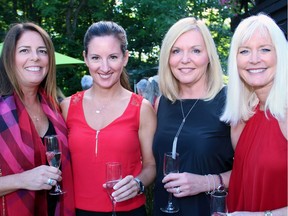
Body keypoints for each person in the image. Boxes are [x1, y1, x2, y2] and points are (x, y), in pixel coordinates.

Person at [60, 21, 156, 215]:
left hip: (127, 211)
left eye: (112, 57)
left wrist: (138, 183)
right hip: (76, 211)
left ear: (125, 58)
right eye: (96, 57)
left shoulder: (142, 108)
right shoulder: (67, 107)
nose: (104, 67)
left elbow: (151, 165)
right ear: (85, 58)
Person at [152, 17, 234, 215]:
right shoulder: (161, 103)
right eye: (176, 51)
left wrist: (205, 182)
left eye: (195, 50)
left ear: (209, 56)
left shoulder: (230, 102)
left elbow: (251, 173)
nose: (185, 59)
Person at [0, 22, 75, 215]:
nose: (35, 57)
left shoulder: (56, 108)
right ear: (9, 57)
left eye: (42, 51)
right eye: (24, 50)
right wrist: (22, 179)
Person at [220, 13, 287, 215]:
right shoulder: (242, 117)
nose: (254, 59)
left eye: (265, 49)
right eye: (245, 51)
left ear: (280, 54)